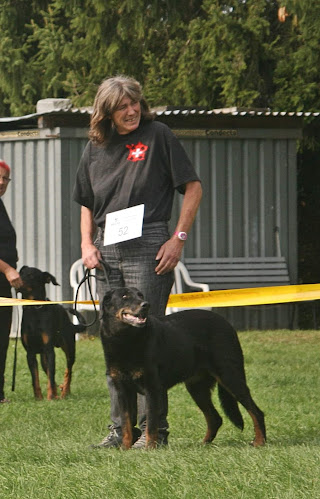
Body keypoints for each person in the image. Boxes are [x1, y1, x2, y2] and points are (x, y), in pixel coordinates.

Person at [73, 75, 202, 448]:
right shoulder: (95, 147)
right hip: (106, 247)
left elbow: (193, 186)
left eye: (134, 103)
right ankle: (120, 431)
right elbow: (86, 202)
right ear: (106, 112)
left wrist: (177, 238)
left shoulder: (158, 134)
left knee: (147, 338)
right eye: (121, 106)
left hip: (149, 243)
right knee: (113, 341)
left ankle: (153, 432)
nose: (130, 111)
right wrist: (86, 243)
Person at [0, 159, 23, 404]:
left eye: (5, 179)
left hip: (2, 282)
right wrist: (7, 268)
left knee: (1, 337)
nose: (1, 182)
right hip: (2, 276)